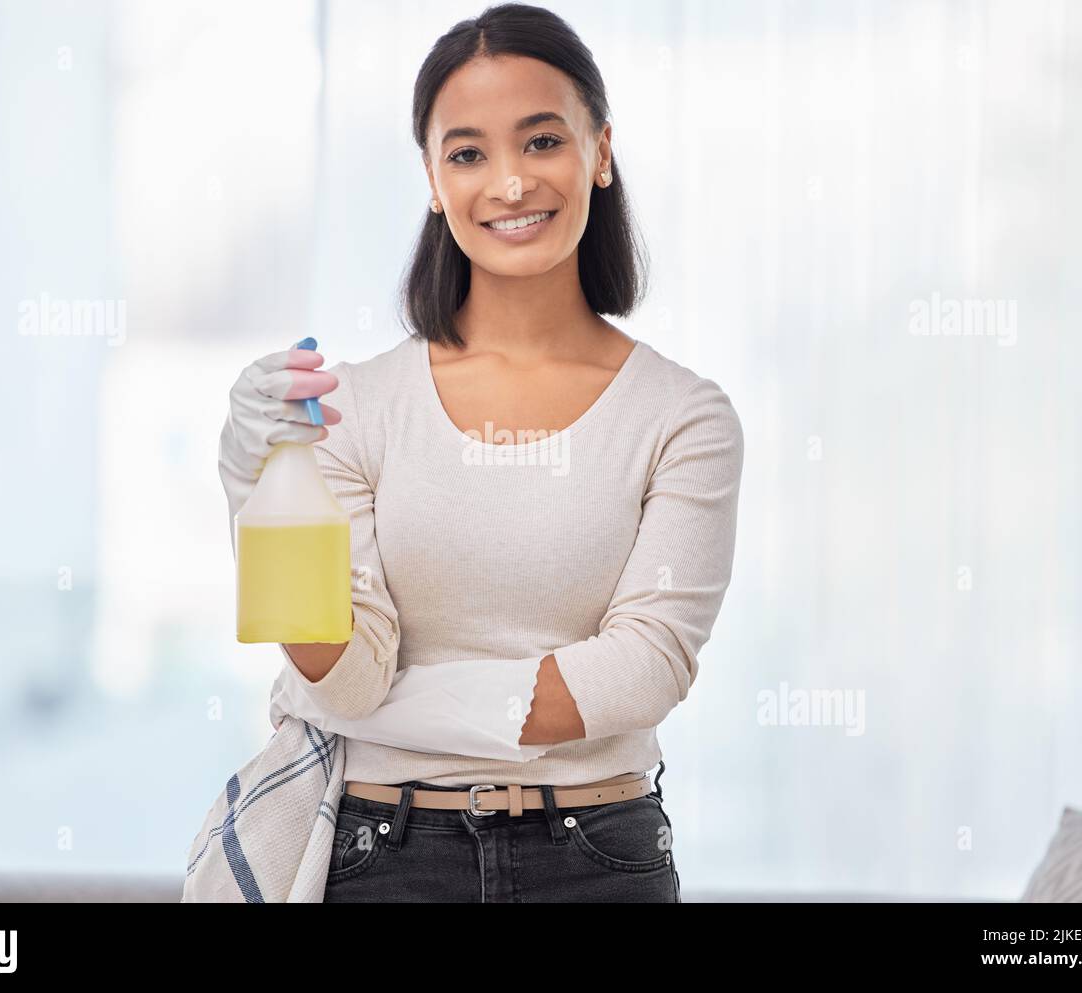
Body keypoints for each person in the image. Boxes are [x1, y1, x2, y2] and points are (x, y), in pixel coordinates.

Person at [218, 2, 744, 903]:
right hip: (383, 857)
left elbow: (645, 666)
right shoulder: (353, 407)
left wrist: (398, 709)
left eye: (542, 141)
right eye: (468, 153)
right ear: (431, 175)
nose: (508, 183)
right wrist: (255, 483)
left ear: (601, 152)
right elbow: (343, 675)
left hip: (598, 860)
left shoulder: (682, 417)